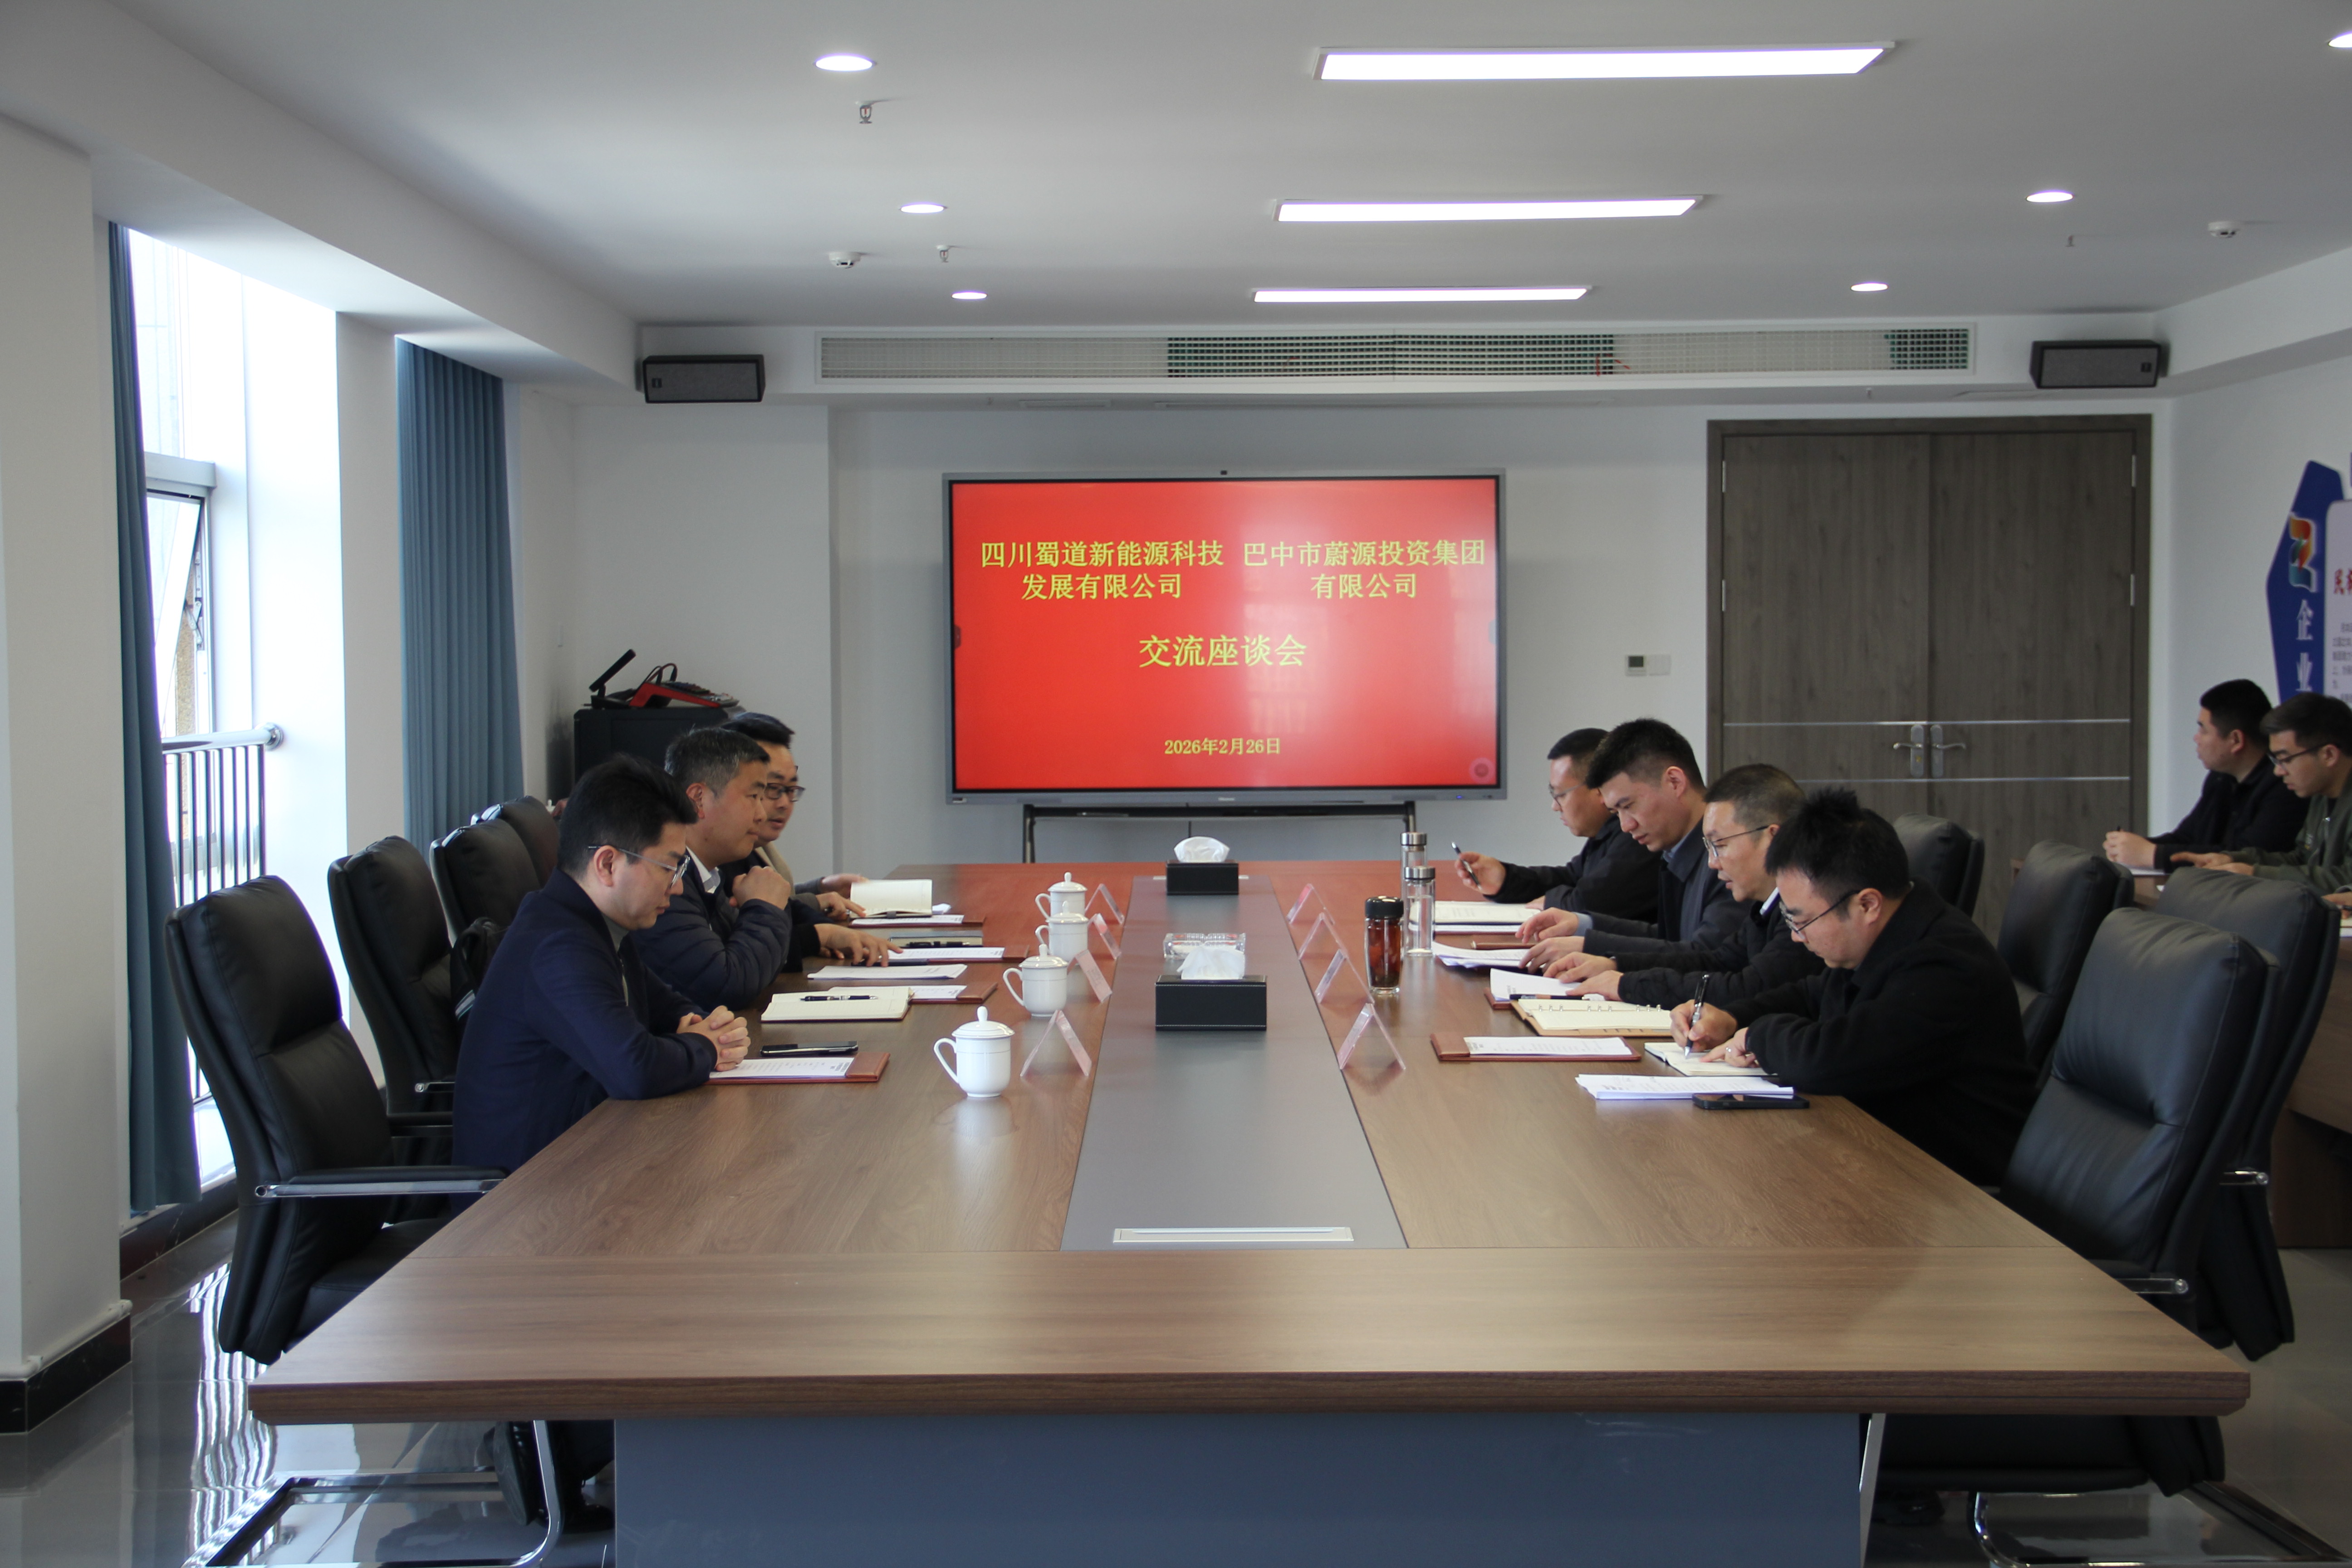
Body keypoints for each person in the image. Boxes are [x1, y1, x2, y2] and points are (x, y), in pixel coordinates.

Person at [1679, 788, 2036, 1185]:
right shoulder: (1888, 934)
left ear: (1867, 905)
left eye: (1801, 921)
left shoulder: (1946, 967)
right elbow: (1813, 995)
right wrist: (1732, 1018)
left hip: (1951, 1189)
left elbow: (1830, 1058)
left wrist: (1758, 1036)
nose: (1796, 936)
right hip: (1879, 1155)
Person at [455, 754, 751, 1179]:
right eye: (669, 867)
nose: (678, 886)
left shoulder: (597, 925)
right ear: (608, 864)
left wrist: (703, 1025)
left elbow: (664, 1006)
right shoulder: (557, 946)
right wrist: (705, 1047)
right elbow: (635, 1069)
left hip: (582, 1162)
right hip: (523, 1196)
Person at [638, 727, 892, 1015]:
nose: (761, 814)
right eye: (754, 796)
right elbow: (727, 986)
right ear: (698, 799)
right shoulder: (667, 882)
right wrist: (764, 908)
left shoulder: (707, 873)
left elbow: (743, 960)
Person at [1539, 763, 1823, 1006]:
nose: (1713, 862)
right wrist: (1617, 965)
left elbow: (1747, 988)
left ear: (1773, 838)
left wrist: (1628, 984)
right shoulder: (1766, 908)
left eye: (1721, 845)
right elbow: (1716, 961)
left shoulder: (1807, 912)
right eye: (1709, 848)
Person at [1519, 718, 1741, 971]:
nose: (1625, 826)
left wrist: (1594, 949)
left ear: (1675, 782)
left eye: (1628, 806)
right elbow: (1670, 938)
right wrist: (1582, 926)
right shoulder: (1677, 849)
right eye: (1616, 812)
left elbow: (1707, 957)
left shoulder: (1729, 854)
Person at [1453, 729, 1660, 923]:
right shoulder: (1606, 833)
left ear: (1600, 789)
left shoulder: (1638, 834)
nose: (1555, 807)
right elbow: (1570, 879)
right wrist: (1505, 880)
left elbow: (1592, 903)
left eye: (1560, 794)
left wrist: (1553, 902)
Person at [2105, 680, 2302, 870]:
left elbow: (2243, 856)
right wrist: (2134, 846)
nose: (2196, 738)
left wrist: (2153, 854)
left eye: (2204, 730)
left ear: (2236, 740)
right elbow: (2187, 838)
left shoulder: (2285, 787)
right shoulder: (2221, 778)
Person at [2176, 691, 2352, 897]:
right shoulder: (2321, 795)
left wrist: (2255, 874)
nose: (2278, 771)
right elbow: (2302, 859)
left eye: (2286, 759)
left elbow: (2346, 877)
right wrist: (2234, 860)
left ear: (2328, 755)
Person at [720, 711, 872, 914]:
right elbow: (744, 916)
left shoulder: (755, 845)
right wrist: (815, 902)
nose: (784, 803)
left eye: (791, 789)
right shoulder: (721, 855)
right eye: (772, 788)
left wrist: (820, 888)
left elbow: (775, 899)